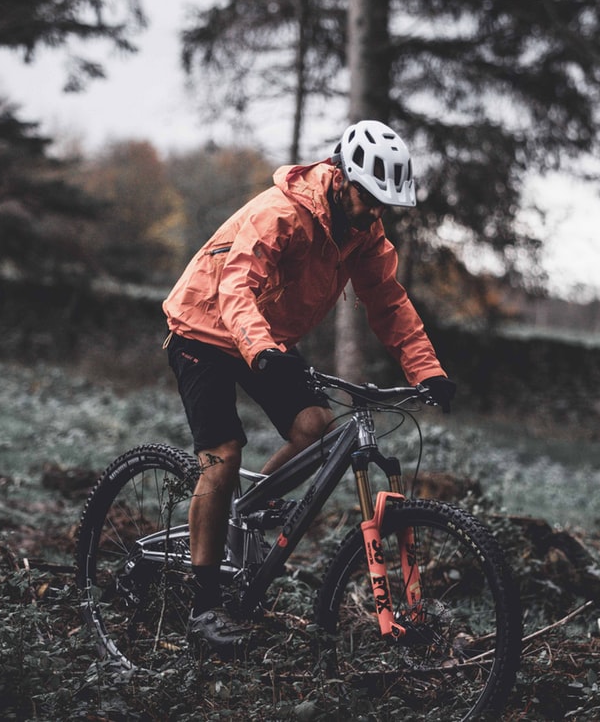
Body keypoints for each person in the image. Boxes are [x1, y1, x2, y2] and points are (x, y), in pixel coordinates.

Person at [161, 119, 457, 655]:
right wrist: (263, 352)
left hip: (261, 335)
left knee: (316, 427)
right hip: (204, 327)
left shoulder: (363, 234)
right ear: (341, 178)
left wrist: (426, 370)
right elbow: (236, 285)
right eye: (369, 198)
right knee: (222, 455)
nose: (376, 211)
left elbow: (389, 303)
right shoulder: (282, 213)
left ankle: (246, 509)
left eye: (384, 203)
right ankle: (203, 609)